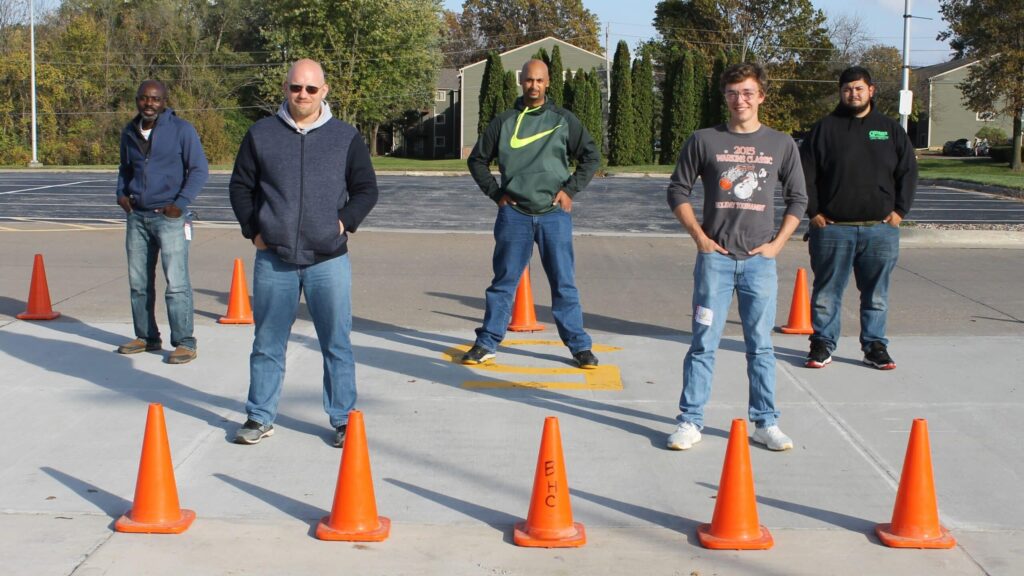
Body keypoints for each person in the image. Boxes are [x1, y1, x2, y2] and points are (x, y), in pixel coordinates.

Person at [228, 59, 379, 447]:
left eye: (311, 89)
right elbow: (240, 187)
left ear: (324, 91)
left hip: (328, 260)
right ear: (285, 88)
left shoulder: (345, 137)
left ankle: (344, 419)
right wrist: (255, 230)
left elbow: (366, 189)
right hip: (274, 259)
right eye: (296, 88)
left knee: (337, 342)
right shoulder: (261, 134)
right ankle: (259, 416)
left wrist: (343, 223)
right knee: (267, 342)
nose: (303, 95)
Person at [665, 63, 807, 452]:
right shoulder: (704, 139)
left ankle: (766, 422)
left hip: (760, 262)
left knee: (760, 344)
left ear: (761, 96)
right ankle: (690, 421)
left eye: (747, 92)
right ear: (724, 97)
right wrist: (700, 237)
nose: (739, 100)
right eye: (732, 93)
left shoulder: (781, 144)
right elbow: (677, 190)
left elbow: (799, 198)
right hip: (716, 260)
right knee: (703, 343)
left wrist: (777, 245)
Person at [461, 59, 601, 369]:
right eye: (528, 80)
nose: (533, 86)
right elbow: (477, 161)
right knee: (503, 283)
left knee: (564, 283)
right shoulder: (505, 122)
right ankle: (487, 343)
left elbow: (591, 157)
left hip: (554, 216)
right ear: (520, 82)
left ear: (548, 82)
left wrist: (570, 190)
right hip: (515, 215)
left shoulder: (563, 120)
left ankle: (580, 347)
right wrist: (496, 194)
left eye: (539, 81)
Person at [800, 66, 917, 371]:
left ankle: (874, 346)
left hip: (880, 230)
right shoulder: (823, 130)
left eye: (859, 88)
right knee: (826, 293)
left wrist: (899, 212)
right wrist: (814, 213)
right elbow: (804, 175)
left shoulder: (890, 130)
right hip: (832, 230)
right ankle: (822, 344)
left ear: (871, 91)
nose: (853, 94)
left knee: (876, 294)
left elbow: (908, 173)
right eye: (847, 89)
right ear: (840, 92)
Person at [115, 80, 208, 364]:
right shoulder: (129, 132)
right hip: (138, 218)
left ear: (164, 101)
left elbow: (199, 170)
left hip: (169, 219)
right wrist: (121, 193)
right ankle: (146, 336)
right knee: (139, 283)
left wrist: (179, 205)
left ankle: (184, 342)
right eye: (144, 98)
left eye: (155, 99)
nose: (149, 104)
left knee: (176, 283)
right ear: (137, 100)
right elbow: (125, 168)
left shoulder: (182, 130)